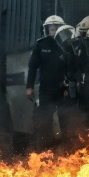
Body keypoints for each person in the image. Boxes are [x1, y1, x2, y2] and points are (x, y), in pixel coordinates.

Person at [26, 15, 69, 151]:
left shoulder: (66, 45)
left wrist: (69, 85)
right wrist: (29, 87)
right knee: (45, 119)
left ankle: (68, 146)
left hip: (63, 88)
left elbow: (71, 66)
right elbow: (32, 67)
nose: (54, 30)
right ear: (46, 29)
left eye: (57, 28)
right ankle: (46, 148)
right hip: (46, 89)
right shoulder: (40, 45)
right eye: (51, 28)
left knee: (65, 117)